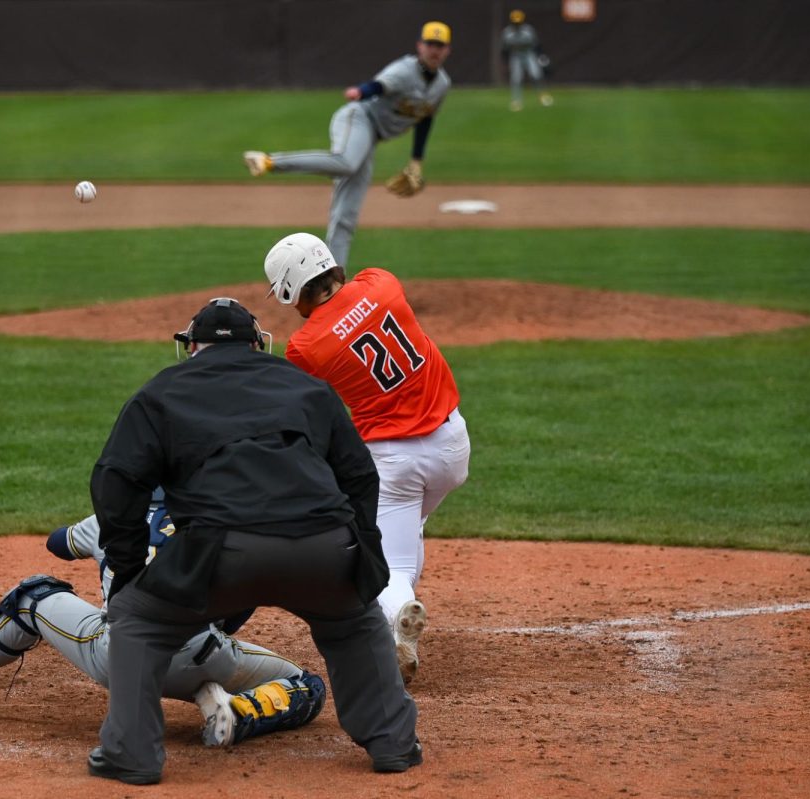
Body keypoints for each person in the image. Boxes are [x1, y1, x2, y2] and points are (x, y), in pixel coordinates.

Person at [87, 297, 420, 785]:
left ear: (191, 346)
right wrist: (361, 554)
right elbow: (360, 474)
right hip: (324, 546)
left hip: (222, 553)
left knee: (137, 618)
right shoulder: (308, 387)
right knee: (354, 619)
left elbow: (114, 481)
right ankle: (394, 743)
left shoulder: (161, 390)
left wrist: (131, 568)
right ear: (259, 343)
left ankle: (130, 754)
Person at [0, 490, 326, 749]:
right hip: (205, 655)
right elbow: (244, 603)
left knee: (32, 596)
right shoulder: (221, 524)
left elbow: (57, 544)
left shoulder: (112, 520)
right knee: (307, 684)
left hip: (121, 657)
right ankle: (238, 711)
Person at [262, 232, 471, 685]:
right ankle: (402, 600)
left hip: (393, 462)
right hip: (453, 447)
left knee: (385, 559)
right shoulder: (383, 282)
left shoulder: (306, 345)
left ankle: (398, 614)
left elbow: (293, 392)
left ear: (294, 289)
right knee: (409, 526)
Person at [242, 21, 453, 267]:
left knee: (346, 216)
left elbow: (425, 118)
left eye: (440, 45)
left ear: (448, 49)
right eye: (430, 44)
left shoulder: (442, 85)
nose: (434, 50)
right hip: (358, 119)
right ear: (420, 45)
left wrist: (416, 161)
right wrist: (360, 91)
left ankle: (334, 282)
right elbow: (379, 86)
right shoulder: (404, 70)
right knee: (346, 161)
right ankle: (268, 162)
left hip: (371, 137)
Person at [500, 9, 553, 111]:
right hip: (515, 56)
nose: (517, 24)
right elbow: (504, 49)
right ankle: (516, 101)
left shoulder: (528, 31)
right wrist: (505, 62)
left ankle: (543, 96)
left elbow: (537, 45)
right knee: (516, 79)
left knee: (536, 75)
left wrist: (541, 56)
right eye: (515, 22)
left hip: (529, 54)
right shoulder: (507, 33)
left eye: (518, 22)